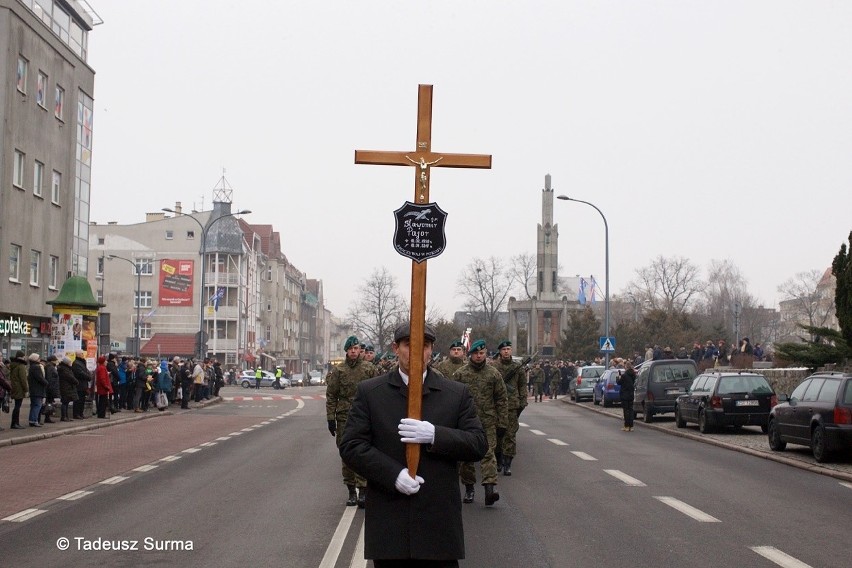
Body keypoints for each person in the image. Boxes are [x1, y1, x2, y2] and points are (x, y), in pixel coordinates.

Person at [339, 322, 487, 567]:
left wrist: (435, 435)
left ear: (432, 350)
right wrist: (393, 474)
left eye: (425, 345)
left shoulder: (455, 394)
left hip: (438, 530)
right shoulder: (371, 392)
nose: (418, 351)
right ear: (396, 348)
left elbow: (478, 443)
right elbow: (352, 445)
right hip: (390, 528)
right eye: (409, 344)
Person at [451, 339, 507, 506]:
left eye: (481, 353)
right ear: (470, 354)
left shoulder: (493, 374)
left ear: (485, 354)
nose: (479, 356)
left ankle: (490, 489)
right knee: (467, 457)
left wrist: (502, 422)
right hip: (467, 422)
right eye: (476, 353)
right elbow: (452, 400)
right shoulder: (460, 374)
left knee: (488, 454)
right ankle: (469, 488)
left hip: (488, 422)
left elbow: (501, 399)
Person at [326, 336, 373, 507]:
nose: (353, 351)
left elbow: (378, 392)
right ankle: (351, 491)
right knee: (347, 454)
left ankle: (363, 490)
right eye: (350, 348)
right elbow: (331, 395)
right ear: (346, 351)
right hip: (344, 416)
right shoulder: (339, 371)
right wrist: (331, 418)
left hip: (365, 415)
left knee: (363, 451)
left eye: (356, 348)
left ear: (360, 350)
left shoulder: (369, 369)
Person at [494, 340, 527, 476]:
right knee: (497, 435)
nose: (506, 351)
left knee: (510, 435)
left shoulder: (518, 367)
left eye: (508, 349)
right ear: (500, 352)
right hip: (496, 406)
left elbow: (522, 386)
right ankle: (498, 459)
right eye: (504, 349)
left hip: (512, 406)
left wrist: (522, 402)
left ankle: (508, 463)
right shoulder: (494, 367)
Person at [8, 351, 28, 429]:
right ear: (22, 357)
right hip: (19, 388)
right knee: (17, 406)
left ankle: (14, 423)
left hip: (15, 387)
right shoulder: (21, 366)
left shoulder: (13, 365)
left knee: (17, 406)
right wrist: (26, 389)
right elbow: (23, 379)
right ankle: (15, 423)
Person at [27, 353, 47, 427]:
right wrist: (46, 382)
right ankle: (34, 420)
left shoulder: (31, 367)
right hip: (37, 389)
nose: (39, 359)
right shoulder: (36, 367)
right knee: (37, 405)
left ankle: (32, 420)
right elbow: (40, 378)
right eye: (38, 358)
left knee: (34, 405)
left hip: (33, 389)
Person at [617, 361, 637, 431]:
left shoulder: (624, 376)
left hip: (625, 395)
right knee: (631, 410)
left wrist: (618, 377)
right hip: (631, 394)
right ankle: (631, 426)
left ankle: (626, 426)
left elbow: (619, 383)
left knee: (626, 410)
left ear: (626, 367)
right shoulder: (633, 375)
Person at [57, 356, 78, 421]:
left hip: (67, 387)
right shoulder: (64, 369)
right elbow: (70, 377)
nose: (70, 363)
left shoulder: (66, 368)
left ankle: (66, 416)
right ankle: (64, 417)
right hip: (65, 387)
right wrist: (76, 381)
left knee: (66, 402)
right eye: (69, 362)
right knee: (65, 402)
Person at [71, 351, 90, 419]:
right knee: (78, 400)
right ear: (78, 355)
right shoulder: (76, 363)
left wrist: (88, 375)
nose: (83, 355)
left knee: (82, 400)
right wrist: (88, 376)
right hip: (79, 385)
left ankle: (80, 413)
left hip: (83, 385)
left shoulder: (82, 362)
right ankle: (76, 414)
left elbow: (85, 371)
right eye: (82, 354)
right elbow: (80, 373)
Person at [43, 355, 60, 423]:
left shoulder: (50, 366)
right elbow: (50, 378)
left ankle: (48, 417)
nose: (57, 361)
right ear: (52, 360)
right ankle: (47, 417)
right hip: (50, 388)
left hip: (51, 387)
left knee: (49, 402)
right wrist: (50, 387)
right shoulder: (50, 367)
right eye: (55, 360)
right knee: (49, 402)